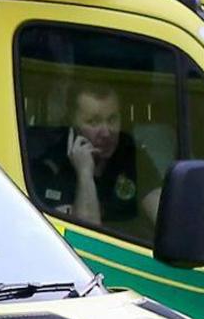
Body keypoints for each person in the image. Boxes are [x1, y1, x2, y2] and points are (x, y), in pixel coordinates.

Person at [32, 83, 162, 232]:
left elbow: (164, 218)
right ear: (73, 124)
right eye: (93, 122)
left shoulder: (130, 153)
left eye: (112, 120)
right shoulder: (50, 168)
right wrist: (85, 174)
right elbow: (87, 239)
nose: (106, 133)